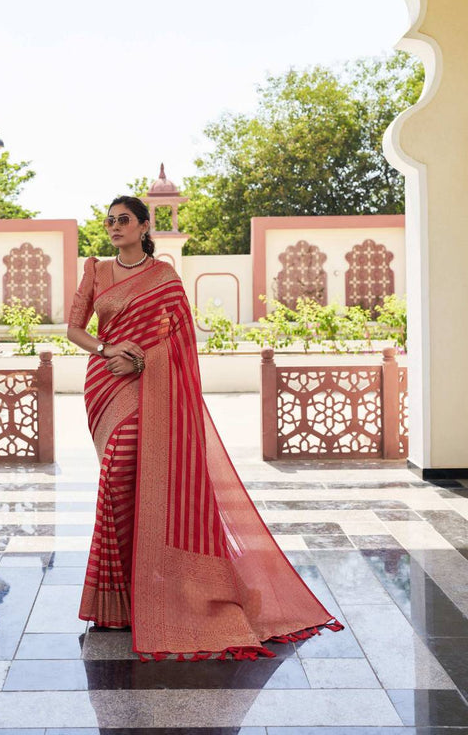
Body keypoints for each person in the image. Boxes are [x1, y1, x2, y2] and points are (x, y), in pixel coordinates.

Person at [67, 195, 344, 661]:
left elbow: (180, 342)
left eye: (123, 220)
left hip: (149, 387)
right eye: (110, 220)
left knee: (139, 483)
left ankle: (156, 594)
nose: (115, 227)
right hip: (106, 387)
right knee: (116, 483)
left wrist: (143, 358)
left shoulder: (164, 278)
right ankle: (115, 605)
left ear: (144, 225)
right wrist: (107, 351)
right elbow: (74, 329)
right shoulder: (94, 270)